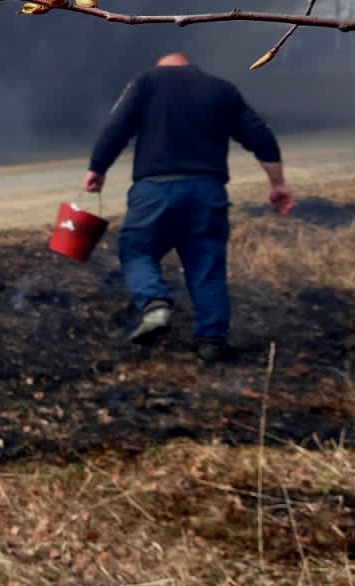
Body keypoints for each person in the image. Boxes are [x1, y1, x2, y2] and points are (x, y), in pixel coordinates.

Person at [83, 52, 295, 363]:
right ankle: (210, 340)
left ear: (161, 67)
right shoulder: (222, 90)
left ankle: (155, 304)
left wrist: (97, 169)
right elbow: (260, 135)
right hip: (208, 191)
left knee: (137, 249)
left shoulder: (147, 82)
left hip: (155, 190)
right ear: (191, 68)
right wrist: (277, 184)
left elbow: (117, 127)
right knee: (206, 264)